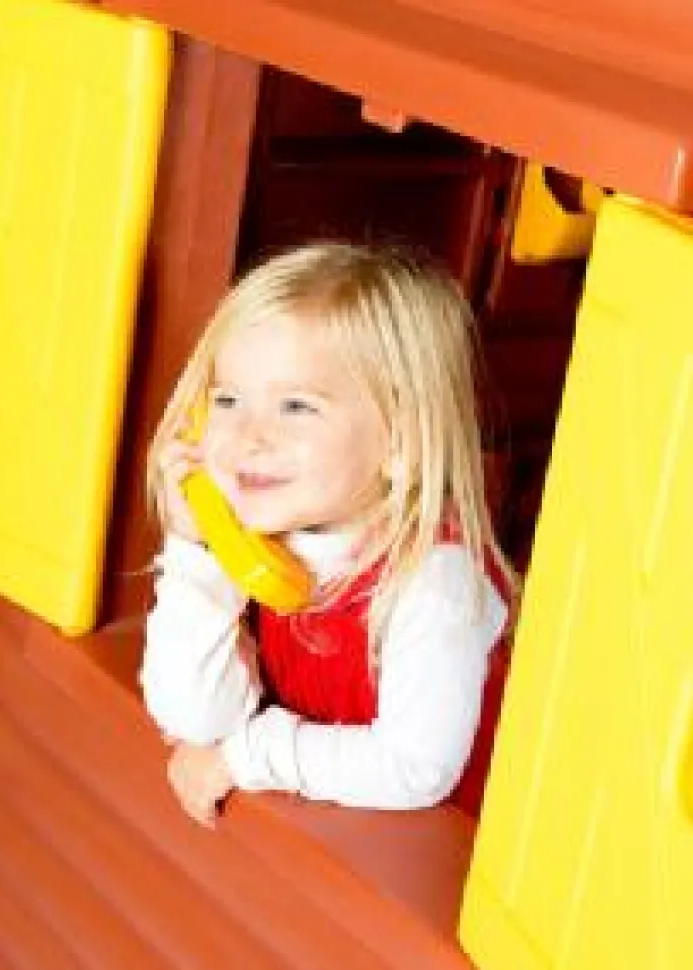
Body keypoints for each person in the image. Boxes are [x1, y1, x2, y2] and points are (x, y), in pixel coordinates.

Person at [140, 243, 517, 827]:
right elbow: (194, 717)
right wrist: (196, 555)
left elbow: (415, 768)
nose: (248, 435)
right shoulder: (266, 537)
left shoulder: (435, 582)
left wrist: (249, 756)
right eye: (228, 399)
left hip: (449, 867)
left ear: (400, 442)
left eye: (295, 406)